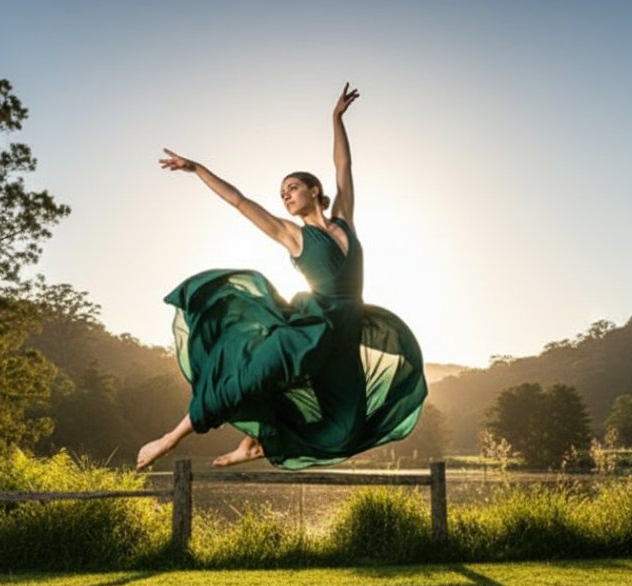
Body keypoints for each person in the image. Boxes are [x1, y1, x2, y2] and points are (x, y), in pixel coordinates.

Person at [136, 83, 427, 470]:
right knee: (249, 378)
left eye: (292, 187)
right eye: (282, 193)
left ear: (314, 189)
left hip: (343, 334)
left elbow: (344, 168)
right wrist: (196, 169)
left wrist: (335, 119)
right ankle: (169, 439)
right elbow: (240, 201)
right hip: (308, 329)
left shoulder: (345, 221)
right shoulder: (292, 236)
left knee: (346, 429)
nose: (286, 195)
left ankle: (259, 443)